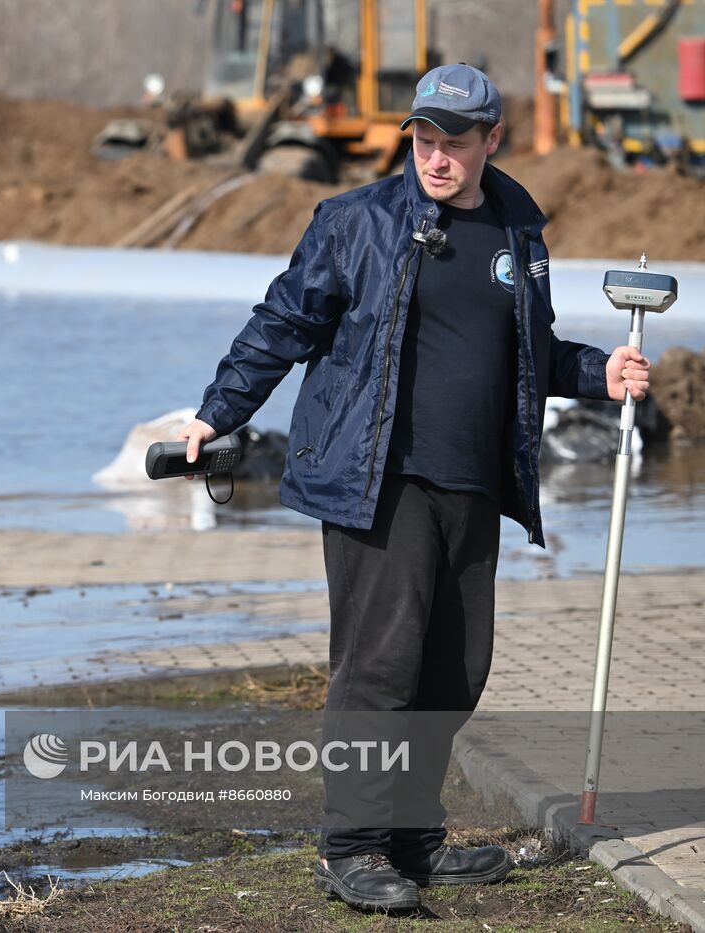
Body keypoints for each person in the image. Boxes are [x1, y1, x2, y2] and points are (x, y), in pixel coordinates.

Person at [176, 63, 652, 911]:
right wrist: (217, 413)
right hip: (376, 480)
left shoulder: (517, 229)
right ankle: (351, 847)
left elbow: (528, 353)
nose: (436, 156)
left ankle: (411, 838)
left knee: (455, 669)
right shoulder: (355, 221)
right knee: (379, 670)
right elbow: (282, 322)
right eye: (424, 139)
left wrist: (598, 371)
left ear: (490, 141)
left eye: (454, 142)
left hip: (472, 482)